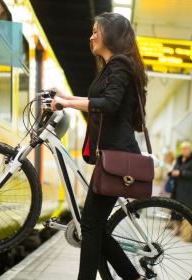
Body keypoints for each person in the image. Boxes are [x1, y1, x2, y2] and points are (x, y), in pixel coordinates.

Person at [48, 12, 147, 280]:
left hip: (117, 155)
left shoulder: (120, 64)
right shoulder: (116, 66)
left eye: (96, 31)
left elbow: (110, 104)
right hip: (112, 154)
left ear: (112, 35)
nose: (91, 36)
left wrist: (67, 103)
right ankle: (133, 277)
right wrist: (64, 97)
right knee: (94, 225)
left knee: (90, 225)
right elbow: (102, 100)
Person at [170, 142, 192, 235]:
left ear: (190, 150)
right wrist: (172, 172)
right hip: (177, 188)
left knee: (185, 210)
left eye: (186, 149)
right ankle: (177, 229)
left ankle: (184, 231)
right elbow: (175, 169)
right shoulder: (179, 159)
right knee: (176, 209)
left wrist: (180, 173)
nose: (184, 151)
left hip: (187, 190)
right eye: (182, 149)